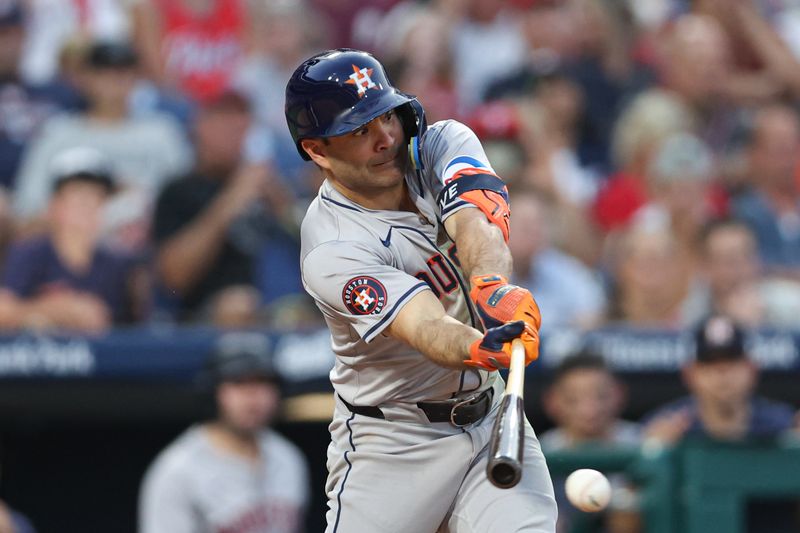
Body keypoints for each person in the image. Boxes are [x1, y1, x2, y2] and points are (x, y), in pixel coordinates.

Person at [286, 49, 556, 532]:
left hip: (489, 415)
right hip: (395, 442)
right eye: (358, 130)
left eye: (384, 116)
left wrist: (493, 288)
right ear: (317, 150)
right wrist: (480, 345)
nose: (385, 138)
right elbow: (427, 326)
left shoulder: (439, 143)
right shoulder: (332, 247)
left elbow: (477, 226)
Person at [138, 331, 309, 533]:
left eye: (263, 382)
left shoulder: (288, 458)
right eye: (238, 383)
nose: (252, 395)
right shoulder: (178, 470)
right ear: (213, 391)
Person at [0, 146, 143, 333]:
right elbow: (4, 310)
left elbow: (134, 328)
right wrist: (59, 310)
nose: (87, 205)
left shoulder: (118, 263)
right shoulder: (31, 253)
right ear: (55, 204)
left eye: (96, 196)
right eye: (77, 194)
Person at [540, 352, 641, 533]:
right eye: (573, 399)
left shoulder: (643, 444)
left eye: (600, 396)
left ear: (619, 394)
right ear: (552, 401)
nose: (589, 411)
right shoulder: (538, 452)